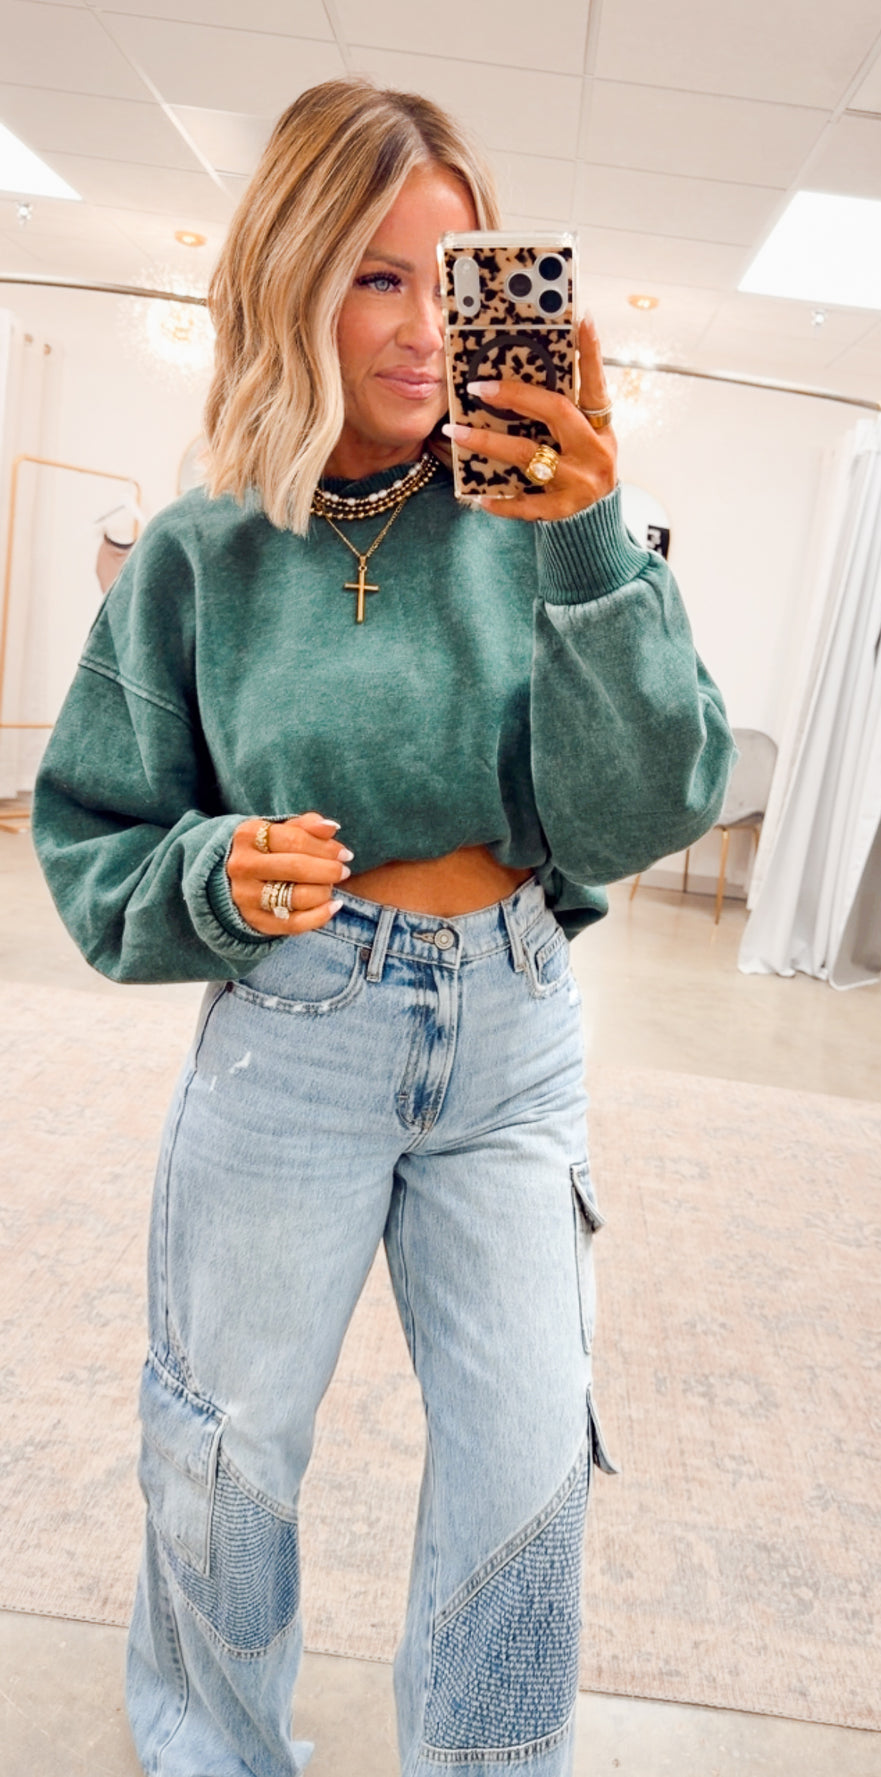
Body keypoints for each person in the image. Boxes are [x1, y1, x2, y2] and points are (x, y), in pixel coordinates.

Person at [32, 78, 735, 1777]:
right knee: (226, 1446)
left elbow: (654, 803)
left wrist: (588, 545)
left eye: (456, 279)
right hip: (294, 1029)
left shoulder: (539, 520)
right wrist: (213, 873)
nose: (429, 330)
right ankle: (211, 1751)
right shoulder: (198, 555)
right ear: (291, 280)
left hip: (514, 1033)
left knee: (525, 1475)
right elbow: (93, 835)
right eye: (377, 277)